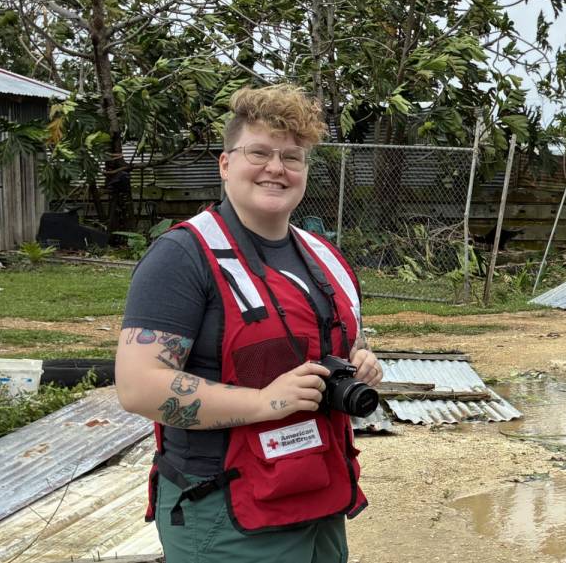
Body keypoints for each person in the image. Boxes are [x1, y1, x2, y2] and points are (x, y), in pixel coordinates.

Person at [115, 84, 382, 563]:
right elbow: (138, 387)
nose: (276, 168)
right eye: (258, 152)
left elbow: (348, 337)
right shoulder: (182, 257)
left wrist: (361, 361)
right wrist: (264, 402)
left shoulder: (325, 256)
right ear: (225, 164)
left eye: (292, 157)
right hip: (224, 509)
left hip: (318, 493)